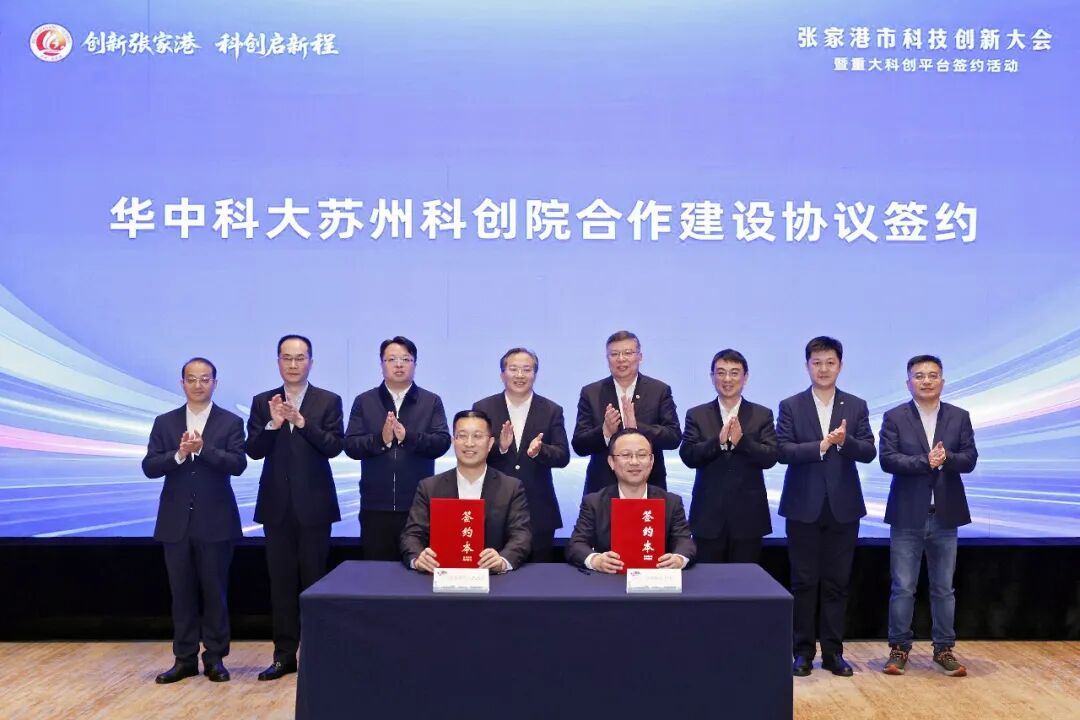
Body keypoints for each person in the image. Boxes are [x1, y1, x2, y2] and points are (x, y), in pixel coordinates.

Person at [246, 334, 344, 681]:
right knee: (281, 585)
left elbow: (334, 446)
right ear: (278, 362)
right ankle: (284, 656)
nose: (293, 364)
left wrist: (302, 422)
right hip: (276, 507)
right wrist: (273, 425)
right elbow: (253, 450)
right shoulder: (263, 402)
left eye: (300, 358)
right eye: (286, 358)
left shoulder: (328, 400)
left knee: (314, 583)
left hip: (314, 507)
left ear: (310, 363)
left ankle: (317, 656)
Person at [142, 357, 246, 684]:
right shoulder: (165, 422)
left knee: (215, 593)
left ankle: (215, 658)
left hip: (216, 522)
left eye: (204, 379)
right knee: (181, 594)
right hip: (175, 523)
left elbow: (238, 464)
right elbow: (149, 466)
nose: (198, 385)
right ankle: (184, 658)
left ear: (215, 383)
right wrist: (179, 454)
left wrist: (202, 450)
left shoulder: (230, 422)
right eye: (191, 379)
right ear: (182, 383)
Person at [777, 336, 876, 677]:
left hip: (843, 508)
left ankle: (834, 653)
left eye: (830, 362)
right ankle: (802, 652)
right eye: (817, 363)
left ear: (840, 366)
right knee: (803, 582)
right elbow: (782, 451)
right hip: (802, 507)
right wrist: (820, 446)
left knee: (837, 583)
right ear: (807, 366)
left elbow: (869, 451)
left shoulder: (856, 405)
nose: (823, 369)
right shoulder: (791, 405)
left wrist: (845, 442)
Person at [880, 355, 978, 677]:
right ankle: (899, 649)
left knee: (943, 589)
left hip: (945, 515)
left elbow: (970, 459)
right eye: (919, 375)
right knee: (903, 587)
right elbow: (888, 460)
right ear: (908, 382)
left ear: (942, 381)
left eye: (932, 375)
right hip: (907, 516)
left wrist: (945, 458)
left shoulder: (959, 416)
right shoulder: (895, 416)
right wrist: (926, 461)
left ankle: (944, 649)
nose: (926, 381)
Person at [344, 336, 451, 560]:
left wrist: (408, 438)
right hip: (375, 505)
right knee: (377, 571)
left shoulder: (431, 401)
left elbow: (442, 442)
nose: (399, 364)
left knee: (417, 569)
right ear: (381, 364)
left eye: (405, 359)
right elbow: (351, 446)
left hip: (417, 505)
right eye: (391, 359)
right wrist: (381, 440)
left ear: (415, 363)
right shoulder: (365, 401)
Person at [401, 410, 531, 573]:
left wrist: (503, 560)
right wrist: (418, 558)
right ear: (453, 441)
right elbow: (411, 535)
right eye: (462, 436)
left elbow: (521, 535)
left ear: (490, 443)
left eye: (477, 436)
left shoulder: (511, 487)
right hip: (439, 577)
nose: (469, 443)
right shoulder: (429, 487)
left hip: (494, 580)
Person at [681, 349, 778, 564]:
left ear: (745, 377)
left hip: (749, 517)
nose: (727, 379)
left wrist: (742, 442)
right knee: (707, 580)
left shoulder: (762, 414)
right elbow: (688, 455)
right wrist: (718, 443)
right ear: (712, 377)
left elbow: (771, 457)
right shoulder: (696, 414)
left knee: (745, 581)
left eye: (734, 373)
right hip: (707, 516)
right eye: (721, 372)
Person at [472, 347, 570, 562]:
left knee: (539, 575)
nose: (520, 375)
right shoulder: (483, 408)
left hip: (539, 511)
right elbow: (472, 453)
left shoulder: (552, 409)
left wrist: (541, 451)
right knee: (494, 571)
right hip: (494, 509)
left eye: (526, 369)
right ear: (502, 374)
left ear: (535, 374)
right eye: (513, 369)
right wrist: (500, 447)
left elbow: (563, 456)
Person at [566, 428, 696, 572]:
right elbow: (576, 544)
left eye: (642, 455)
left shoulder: (671, 502)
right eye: (626, 455)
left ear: (651, 461)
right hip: (609, 580)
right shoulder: (594, 502)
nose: (634, 462)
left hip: (656, 579)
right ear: (611, 462)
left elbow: (685, 541)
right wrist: (595, 560)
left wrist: (679, 558)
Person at [572, 330, 681, 494]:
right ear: (607, 359)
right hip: (602, 490)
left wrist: (638, 428)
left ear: (640, 357)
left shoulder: (659, 390)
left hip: (649, 488)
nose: (621, 359)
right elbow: (579, 446)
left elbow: (673, 438)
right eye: (614, 354)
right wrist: (605, 432)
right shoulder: (591, 393)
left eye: (628, 353)